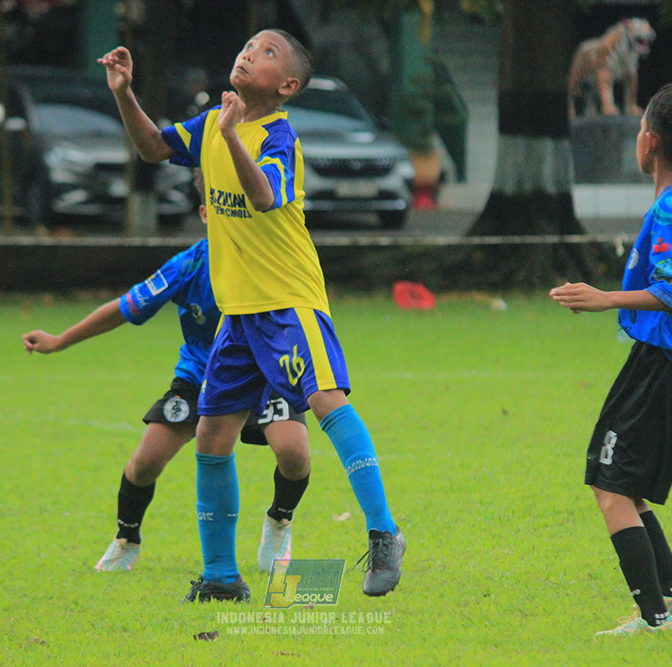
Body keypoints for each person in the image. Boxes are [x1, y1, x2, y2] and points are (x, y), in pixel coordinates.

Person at [99, 29, 405, 603]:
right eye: (246, 45)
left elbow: (264, 195)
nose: (246, 52)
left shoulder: (277, 137)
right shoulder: (214, 125)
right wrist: (124, 93)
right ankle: (220, 578)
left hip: (290, 301)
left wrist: (228, 135)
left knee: (326, 401)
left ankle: (384, 533)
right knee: (212, 436)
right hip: (238, 316)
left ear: (286, 84)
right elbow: (152, 148)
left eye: (266, 52)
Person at [22, 178, 311, 575]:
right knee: (145, 462)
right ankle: (127, 537)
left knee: (294, 455)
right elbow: (125, 307)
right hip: (201, 377)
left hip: (265, 375)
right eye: (220, 208)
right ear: (206, 214)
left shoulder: (272, 258)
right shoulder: (191, 264)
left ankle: (279, 520)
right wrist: (61, 341)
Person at [549, 83, 672, 636]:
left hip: (667, 363)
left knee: (609, 486)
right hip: (666, 361)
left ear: (648, 142)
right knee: (620, 482)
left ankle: (654, 621)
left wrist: (604, 298)